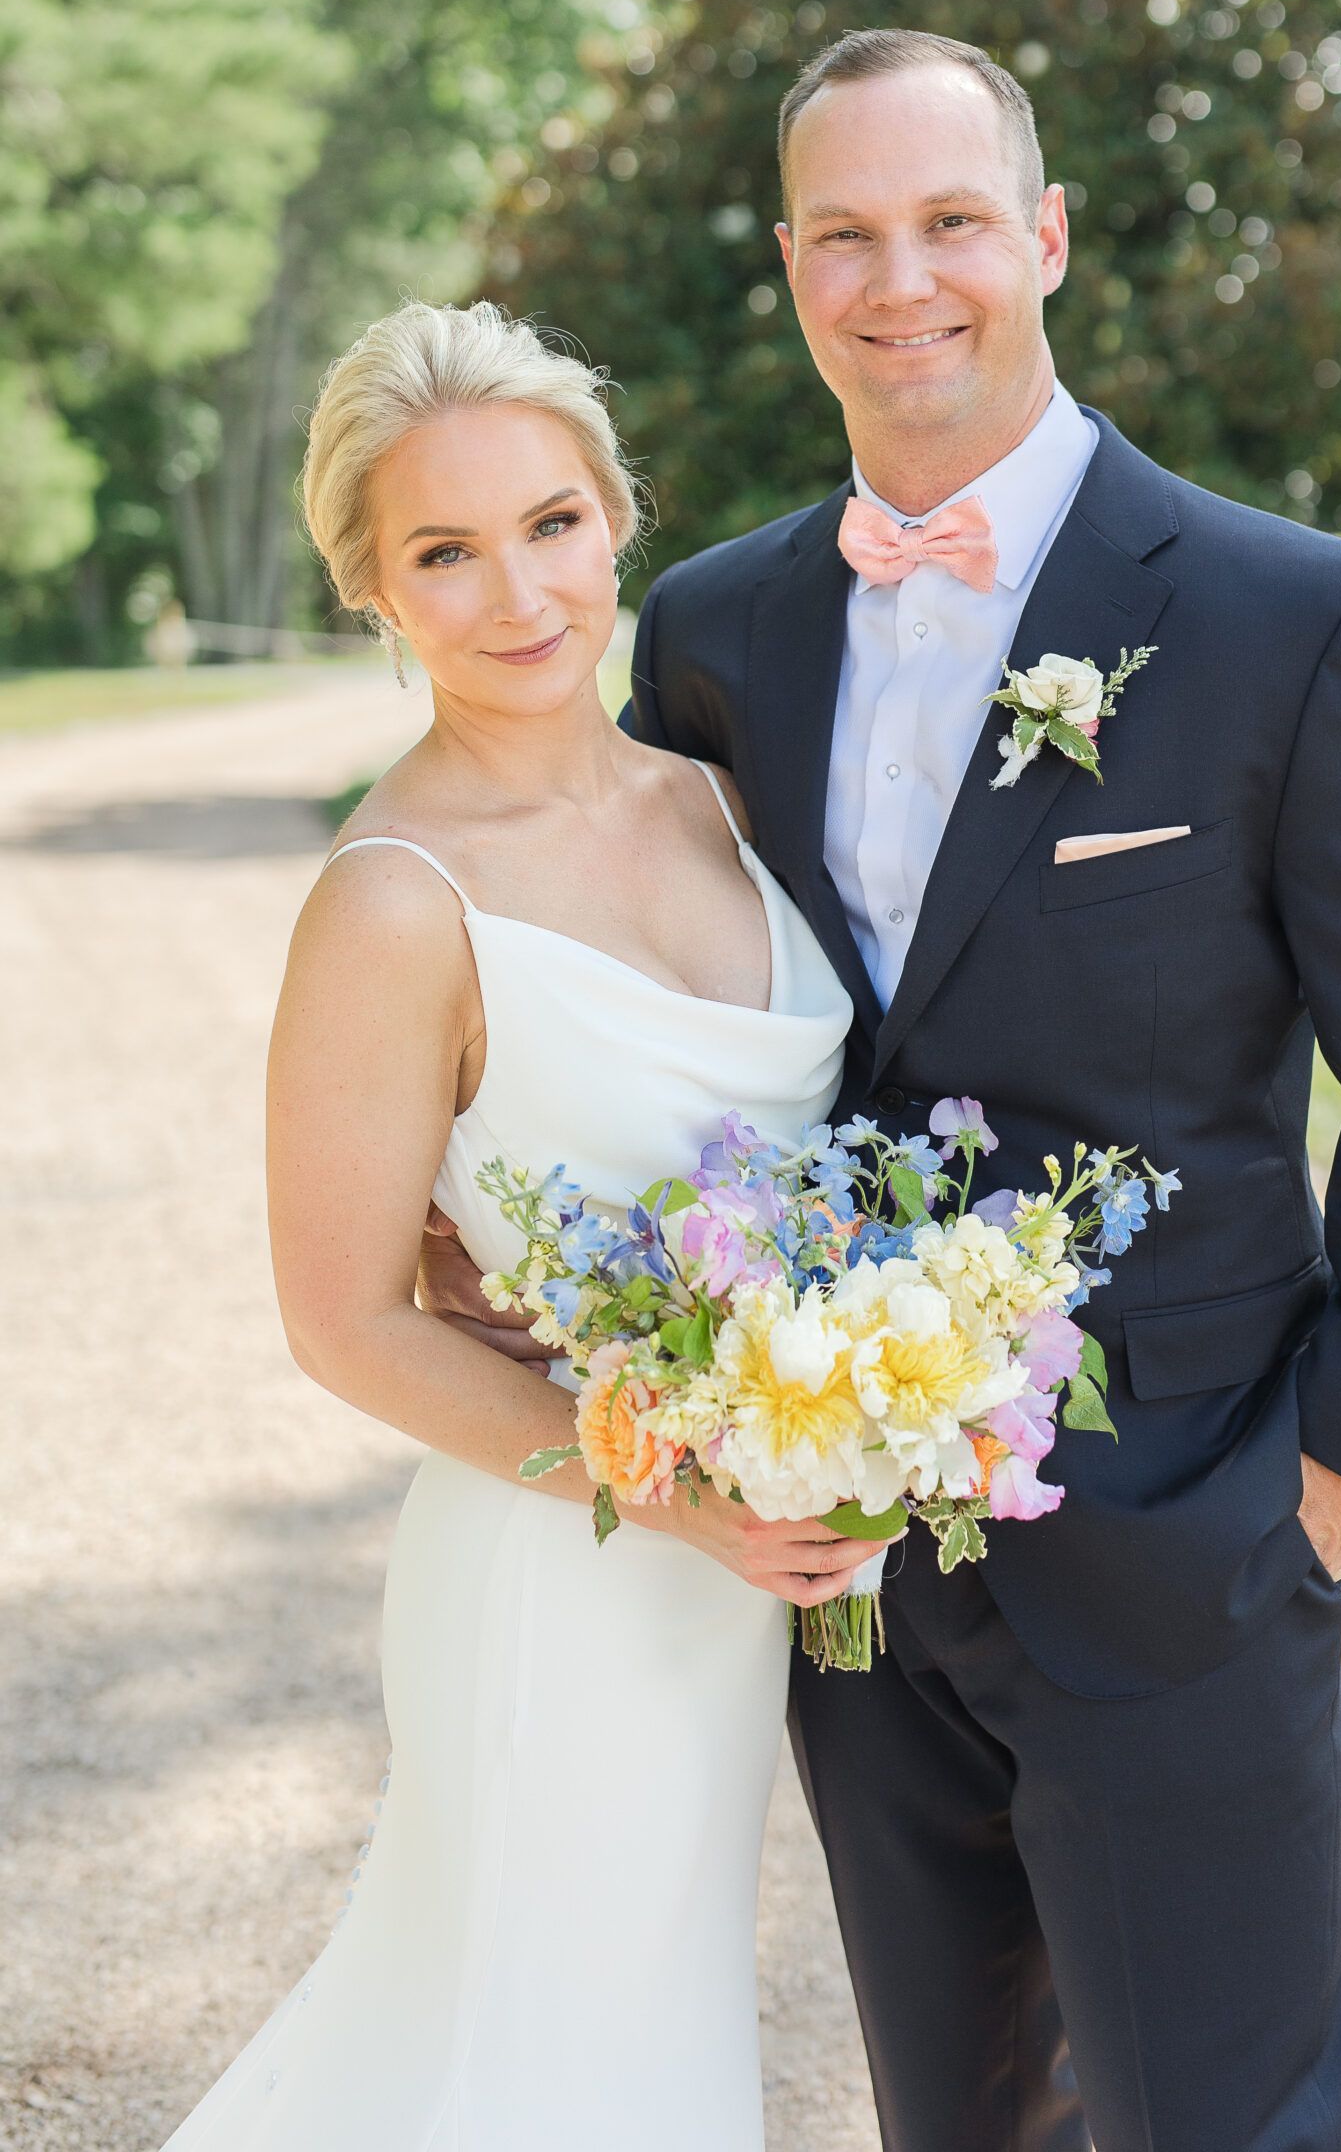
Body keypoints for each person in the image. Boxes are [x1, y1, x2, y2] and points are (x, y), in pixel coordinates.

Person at [425, 28, 1341, 2150]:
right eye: (846, 233)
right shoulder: (710, 633)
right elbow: (623, 979)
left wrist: (1334, 1478)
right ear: (789, 267)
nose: (902, 279)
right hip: (845, 1564)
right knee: (952, 2125)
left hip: (1186, 1535)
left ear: (1038, 237)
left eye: (950, 220)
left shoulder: (1287, 620)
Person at [160, 299, 863, 2150]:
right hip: (569, 1571)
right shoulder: (395, 903)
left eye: (550, 523)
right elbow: (347, 1319)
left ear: (617, 514)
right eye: (443, 554)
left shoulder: (729, 799)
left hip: (742, 1573)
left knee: (625, 2032)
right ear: (373, 595)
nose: (517, 593)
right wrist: (682, 1493)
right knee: (531, 2057)